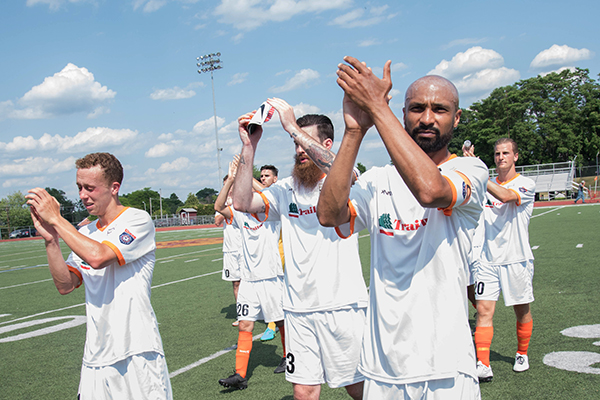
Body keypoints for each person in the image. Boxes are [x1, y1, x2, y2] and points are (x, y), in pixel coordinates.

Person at [317, 57, 488, 399]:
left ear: (456, 118)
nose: (426, 118)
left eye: (439, 109)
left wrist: (378, 109)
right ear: (405, 113)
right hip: (383, 370)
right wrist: (354, 131)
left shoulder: (470, 169)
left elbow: (431, 191)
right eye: (416, 108)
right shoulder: (377, 180)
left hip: (448, 368)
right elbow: (329, 214)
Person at [233, 98, 368, 400]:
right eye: (294, 143)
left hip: (343, 306)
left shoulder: (344, 176)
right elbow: (242, 202)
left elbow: (341, 170)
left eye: (303, 142)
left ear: (327, 143)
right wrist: (248, 148)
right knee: (304, 392)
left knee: (359, 389)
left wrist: (292, 127)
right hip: (297, 310)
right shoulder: (285, 189)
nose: (298, 150)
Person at [25, 152, 172, 400]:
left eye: (90, 188)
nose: (83, 195)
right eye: (80, 187)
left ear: (114, 188)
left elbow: (99, 257)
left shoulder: (138, 219)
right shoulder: (86, 232)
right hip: (95, 356)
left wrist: (58, 220)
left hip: (135, 350)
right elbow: (66, 284)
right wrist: (51, 241)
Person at [465, 138, 536, 382]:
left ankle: (522, 353)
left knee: (521, 310)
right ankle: (483, 364)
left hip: (517, 259)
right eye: (497, 154)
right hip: (487, 259)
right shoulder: (488, 184)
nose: (500, 157)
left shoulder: (526, 184)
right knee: (484, 310)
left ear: (515, 156)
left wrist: (479, 172)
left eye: (506, 153)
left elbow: (506, 197)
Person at [216, 156, 287, 390]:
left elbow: (269, 190)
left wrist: (245, 175)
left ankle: (289, 357)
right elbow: (218, 208)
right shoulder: (239, 214)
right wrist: (231, 180)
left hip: (271, 277)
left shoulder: (271, 211)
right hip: (248, 280)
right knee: (245, 325)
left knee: (281, 321)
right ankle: (240, 375)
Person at [258, 164, 282, 342]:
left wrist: (241, 173)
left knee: (280, 293)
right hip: (266, 253)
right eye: (261, 176)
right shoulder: (260, 198)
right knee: (271, 294)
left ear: (275, 179)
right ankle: (273, 324)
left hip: (281, 253)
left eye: (267, 175)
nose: (263, 178)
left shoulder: (278, 193)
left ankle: (273, 326)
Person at [216, 174, 243, 327]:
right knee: (236, 283)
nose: (230, 187)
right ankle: (241, 314)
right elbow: (217, 221)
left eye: (231, 183)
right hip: (230, 249)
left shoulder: (243, 200)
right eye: (227, 184)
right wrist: (227, 205)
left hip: (245, 248)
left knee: (251, 281)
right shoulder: (223, 203)